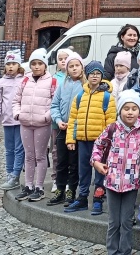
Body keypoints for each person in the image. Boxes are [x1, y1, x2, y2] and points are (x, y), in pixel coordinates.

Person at [92, 89, 140, 255]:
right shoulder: (112, 129)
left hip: (132, 183)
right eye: (126, 108)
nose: (130, 112)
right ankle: (112, 251)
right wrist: (96, 162)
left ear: (139, 110)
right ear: (120, 110)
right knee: (113, 221)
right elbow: (98, 146)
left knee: (126, 221)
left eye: (134, 108)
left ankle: (125, 251)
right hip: (112, 182)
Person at [65, 61, 115, 214]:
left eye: (98, 74)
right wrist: (71, 139)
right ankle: (82, 198)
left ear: (101, 76)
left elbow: (111, 122)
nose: (95, 76)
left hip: (100, 143)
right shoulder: (80, 96)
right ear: (87, 75)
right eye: (92, 73)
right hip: (82, 139)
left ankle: (98, 199)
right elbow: (73, 118)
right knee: (83, 171)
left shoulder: (107, 97)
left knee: (100, 171)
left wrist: (108, 142)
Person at [12, 48, 57, 202]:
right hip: (25, 123)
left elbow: (55, 102)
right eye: (34, 64)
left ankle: (39, 187)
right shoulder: (25, 80)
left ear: (45, 65)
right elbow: (16, 100)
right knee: (29, 156)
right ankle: (29, 185)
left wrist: (47, 117)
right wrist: (17, 113)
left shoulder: (52, 81)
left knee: (40, 155)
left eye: (40, 63)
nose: (37, 67)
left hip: (42, 124)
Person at [48, 51, 85, 206]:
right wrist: (58, 119)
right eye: (71, 66)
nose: (74, 68)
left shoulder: (85, 86)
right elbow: (54, 105)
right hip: (63, 128)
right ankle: (60, 190)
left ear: (82, 68)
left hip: (77, 130)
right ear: (67, 69)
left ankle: (71, 190)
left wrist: (75, 124)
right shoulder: (63, 85)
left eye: (77, 65)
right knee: (61, 161)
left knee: (74, 163)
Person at [0, 49, 25, 191]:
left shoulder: (24, 80)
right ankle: (9, 174)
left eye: (14, 63)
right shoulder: (1, 82)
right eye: (8, 64)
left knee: (19, 149)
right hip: (7, 121)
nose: (11, 66)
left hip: (20, 120)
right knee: (9, 149)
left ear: (19, 65)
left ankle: (16, 174)